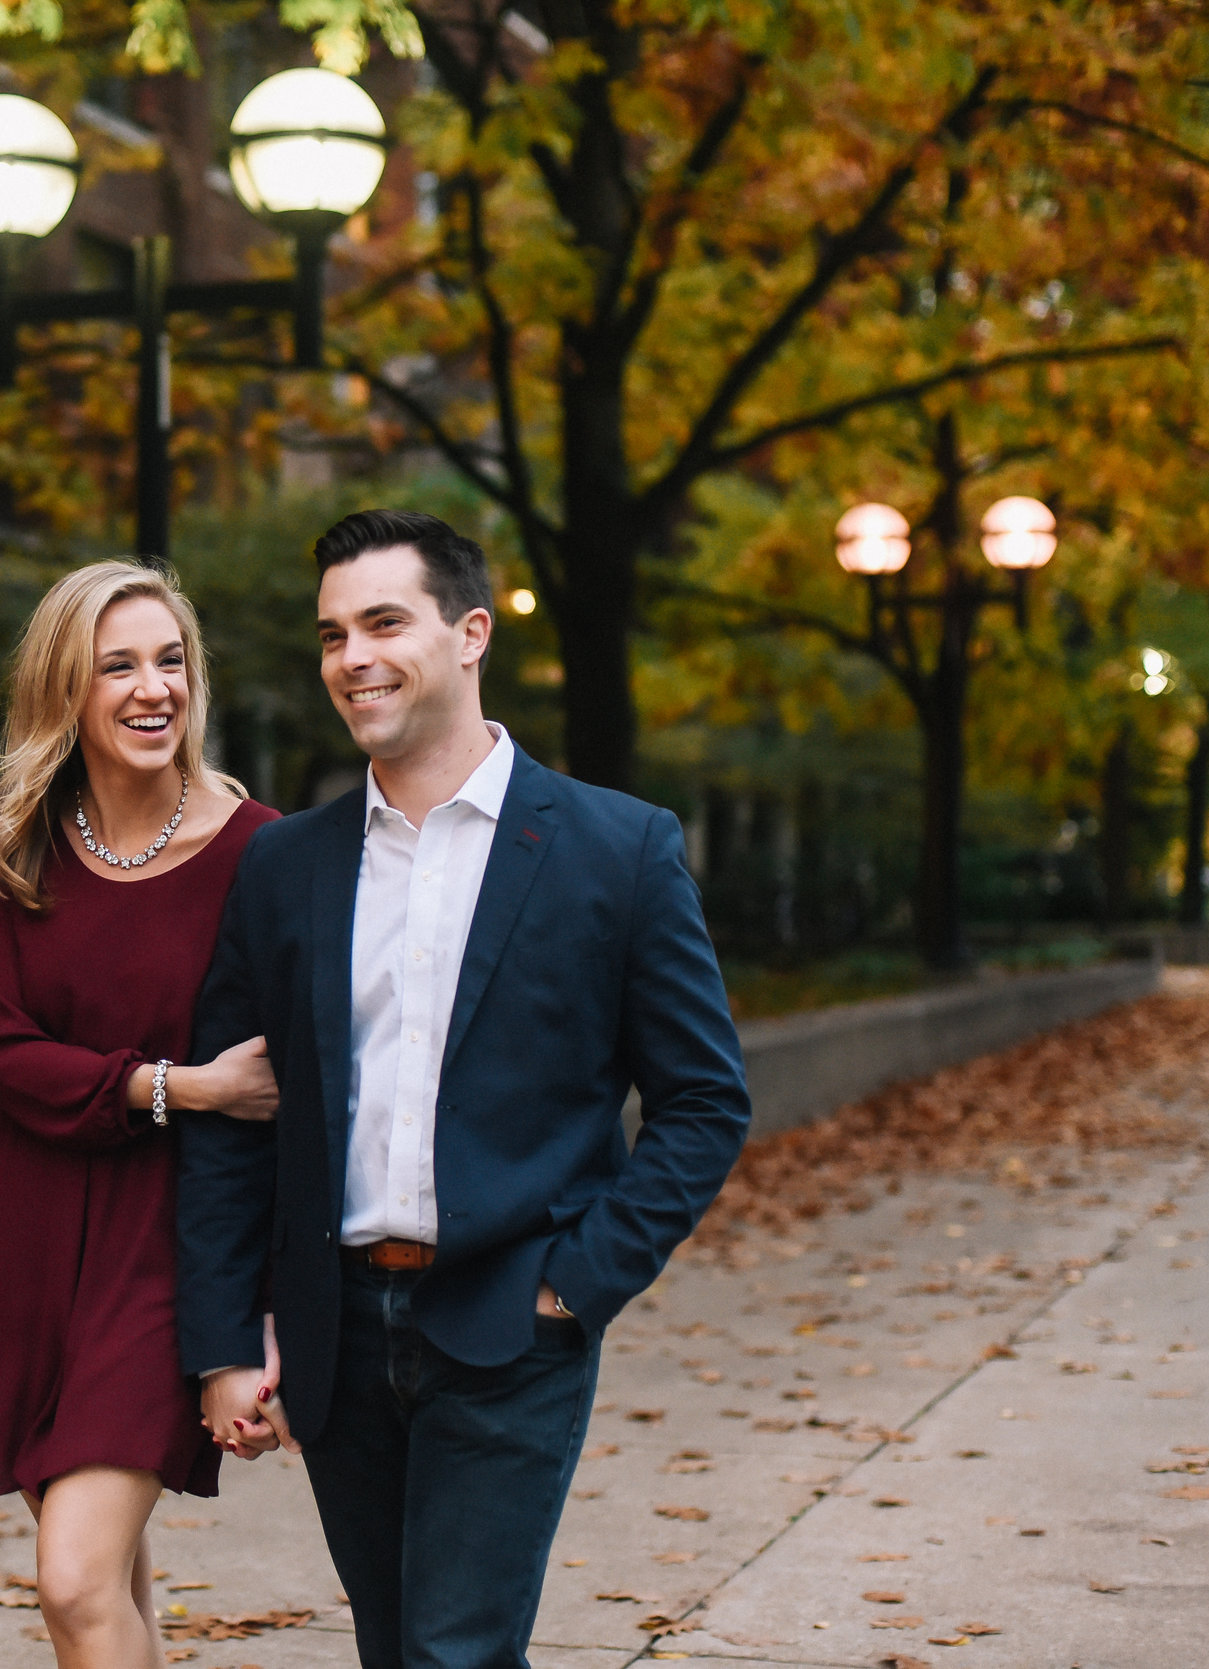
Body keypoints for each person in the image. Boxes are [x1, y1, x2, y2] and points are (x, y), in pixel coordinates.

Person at [175, 509, 751, 1669]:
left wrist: (575, 1282)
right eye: (332, 634)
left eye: (384, 622)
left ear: (471, 632)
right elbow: (238, 1125)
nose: (352, 658)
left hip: (509, 1324)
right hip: (336, 1334)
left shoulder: (616, 847)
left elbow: (703, 1101)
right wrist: (227, 1337)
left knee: (455, 1655)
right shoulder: (285, 866)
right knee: (397, 1651)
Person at [0, 560, 282, 1669]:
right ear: (67, 688)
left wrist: (262, 1314)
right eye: (119, 665)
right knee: (109, 1579)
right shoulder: (9, 836)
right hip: (27, 1231)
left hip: (169, 1240)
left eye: (171, 660)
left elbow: (294, 1093)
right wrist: (180, 1084)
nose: (154, 688)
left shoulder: (263, 853)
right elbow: (6, 1050)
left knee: (74, 1579)